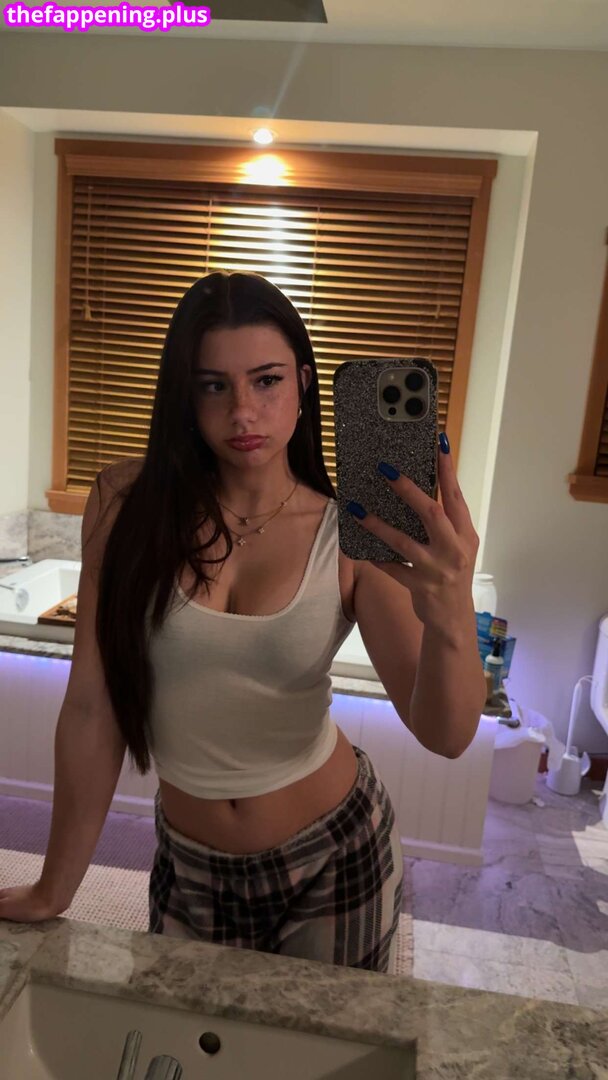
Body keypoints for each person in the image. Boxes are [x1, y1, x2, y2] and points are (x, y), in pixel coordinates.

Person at [0, 271, 486, 973]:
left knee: (322, 1042)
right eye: (213, 386)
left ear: (305, 383)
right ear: (184, 393)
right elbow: (90, 707)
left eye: (266, 380)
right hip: (190, 863)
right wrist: (55, 887)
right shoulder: (124, 505)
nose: (243, 413)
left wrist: (451, 613)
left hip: (335, 855)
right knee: (179, 1035)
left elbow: (446, 733)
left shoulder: (351, 533)